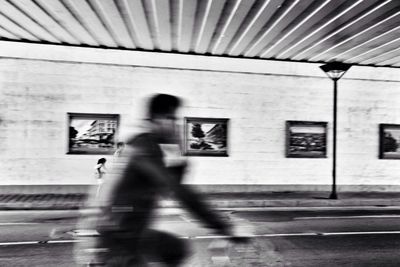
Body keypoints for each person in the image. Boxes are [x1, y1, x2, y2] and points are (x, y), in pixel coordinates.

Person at [76, 94, 245, 266]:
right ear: (158, 118)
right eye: (172, 118)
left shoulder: (152, 146)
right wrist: (224, 228)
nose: (176, 124)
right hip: (117, 237)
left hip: (133, 231)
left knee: (174, 249)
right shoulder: (144, 147)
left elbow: (170, 188)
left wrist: (176, 151)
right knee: (164, 252)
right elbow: (178, 191)